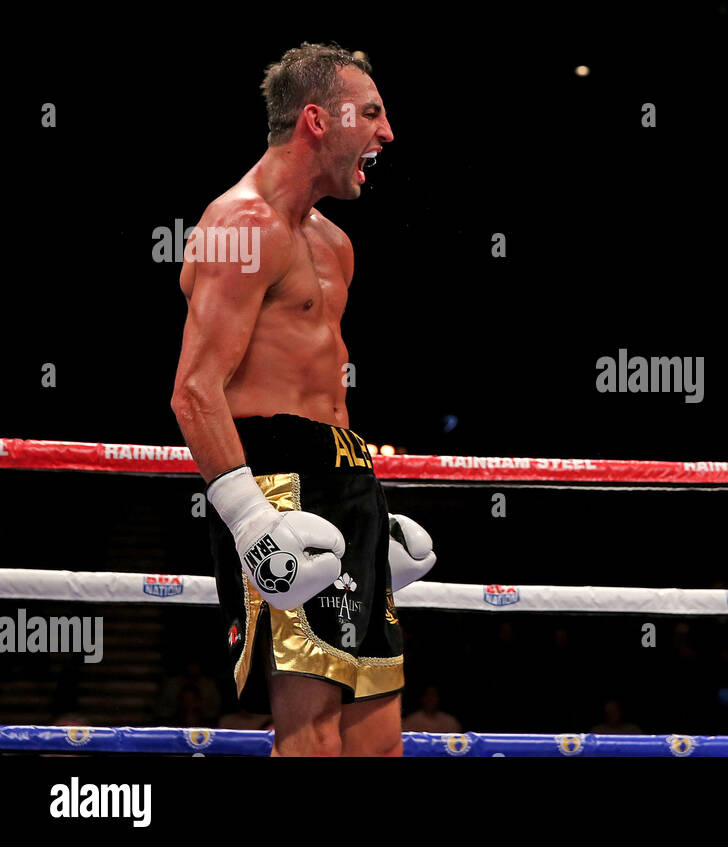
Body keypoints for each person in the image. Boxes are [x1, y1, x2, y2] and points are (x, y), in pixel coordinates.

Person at [171, 43, 436, 756]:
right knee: (312, 736)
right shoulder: (240, 225)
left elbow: (317, 386)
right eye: (371, 114)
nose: (387, 133)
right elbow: (194, 391)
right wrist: (251, 521)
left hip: (344, 473)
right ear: (318, 119)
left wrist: (366, 512)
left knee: (378, 742)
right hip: (277, 482)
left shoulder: (334, 243)